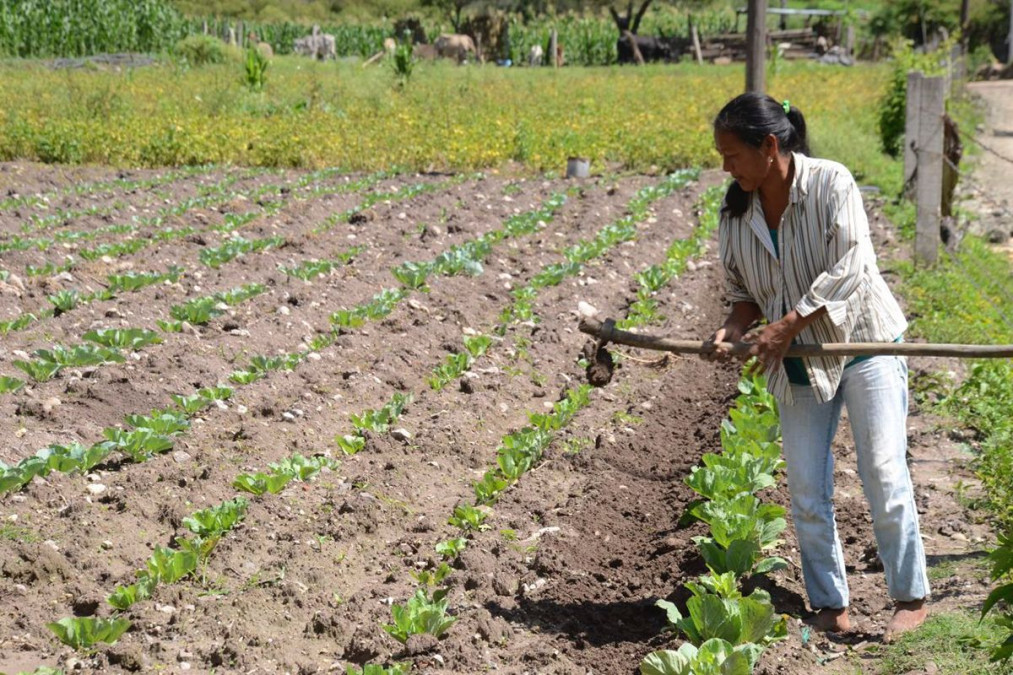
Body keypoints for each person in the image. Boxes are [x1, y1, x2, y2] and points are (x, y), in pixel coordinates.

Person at [703, 92, 929, 641]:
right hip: (801, 355)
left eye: (732, 154)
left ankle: (911, 596)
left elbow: (852, 264)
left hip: (867, 342)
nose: (726, 167)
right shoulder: (736, 213)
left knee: (881, 470)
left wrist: (786, 325)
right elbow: (742, 292)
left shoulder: (831, 182)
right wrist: (732, 328)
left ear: (770, 145)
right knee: (806, 485)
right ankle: (830, 603)